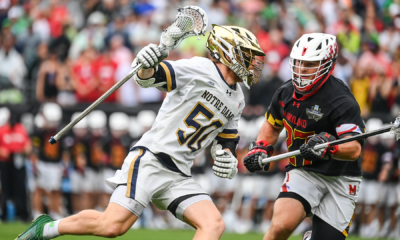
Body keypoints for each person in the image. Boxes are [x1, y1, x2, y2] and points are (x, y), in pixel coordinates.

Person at [16, 24, 265, 240]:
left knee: (213, 224)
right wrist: (146, 64)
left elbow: (227, 138)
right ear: (229, 50)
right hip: (152, 160)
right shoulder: (201, 67)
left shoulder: (238, 98)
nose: (254, 63)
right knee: (112, 226)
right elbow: (151, 77)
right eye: (248, 55)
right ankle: (47, 228)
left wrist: (227, 157)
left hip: (179, 173)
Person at [243, 33, 365, 240]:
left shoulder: (342, 100)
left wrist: (329, 147)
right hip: (304, 171)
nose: (300, 69)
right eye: (298, 62)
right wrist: (261, 146)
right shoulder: (284, 93)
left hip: (341, 177)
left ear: (327, 64)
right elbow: (272, 126)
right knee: (281, 226)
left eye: (309, 64)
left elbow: (354, 149)